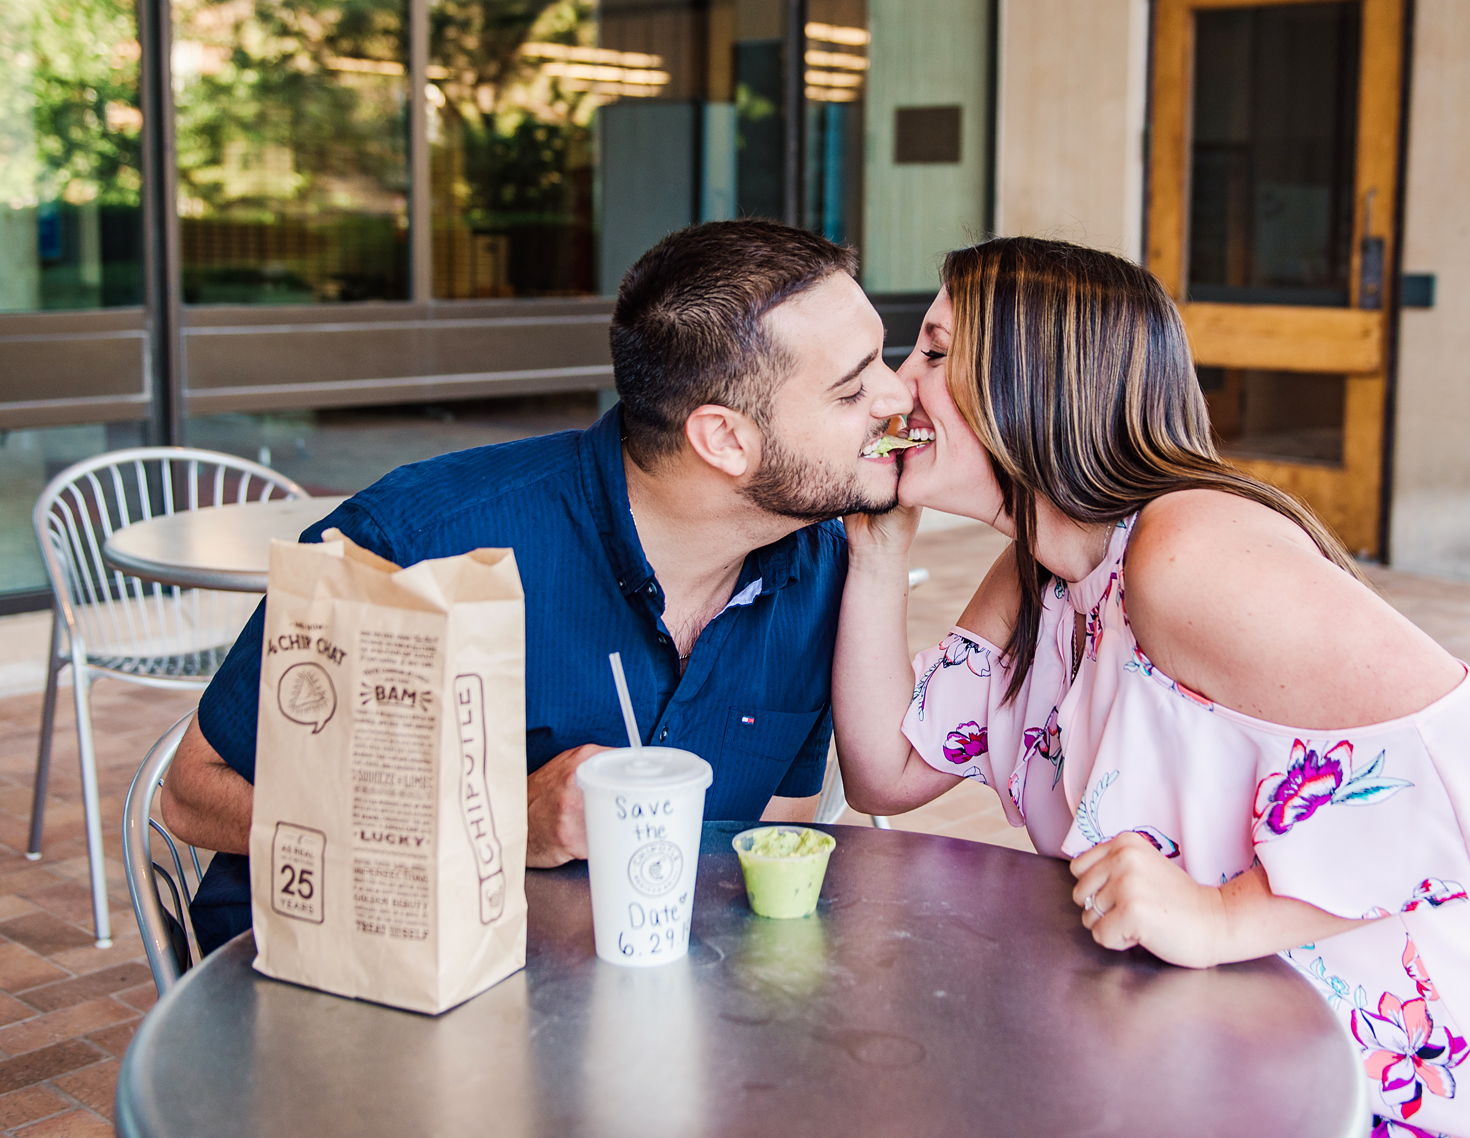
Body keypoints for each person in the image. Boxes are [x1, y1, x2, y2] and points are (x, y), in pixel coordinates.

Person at [831, 237, 1470, 1138]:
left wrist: (1214, 916)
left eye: (932, 352)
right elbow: (886, 772)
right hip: (1199, 1057)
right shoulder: (1041, 570)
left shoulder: (1184, 551)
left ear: (1033, 382)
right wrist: (878, 544)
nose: (898, 386)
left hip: (1398, 1081)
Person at [163, 219, 913, 955]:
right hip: (346, 995)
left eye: (885, 358)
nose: (897, 396)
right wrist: (495, 823)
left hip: (608, 1011)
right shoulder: (420, 542)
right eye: (853, 391)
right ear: (723, 439)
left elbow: (769, 838)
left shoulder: (821, 571)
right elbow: (193, 793)